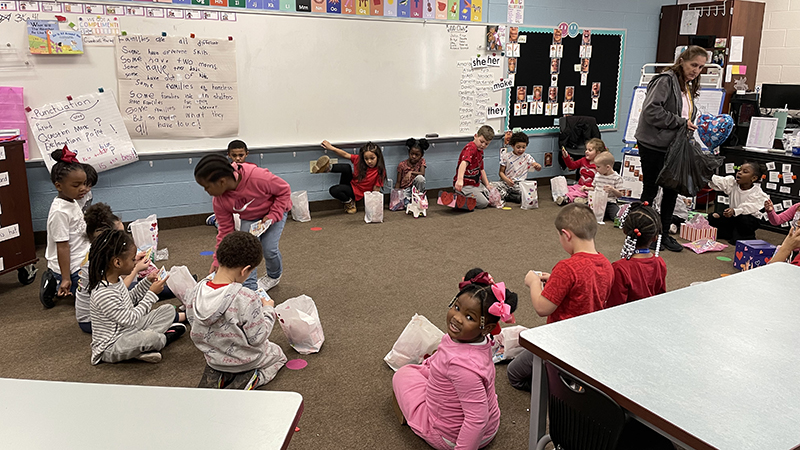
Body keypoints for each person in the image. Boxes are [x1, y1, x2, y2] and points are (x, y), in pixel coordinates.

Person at [392, 268, 517, 450]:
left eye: (469, 317)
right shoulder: (479, 340)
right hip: (489, 425)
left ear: (486, 327)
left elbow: (477, 420)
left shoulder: (462, 369)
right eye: (456, 307)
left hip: (450, 437)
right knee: (428, 367)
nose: (457, 318)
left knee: (402, 375)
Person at [507, 204, 612, 391]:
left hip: (561, 343)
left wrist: (534, 283)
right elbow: (584, 288)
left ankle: (557, 387)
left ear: (566, 234)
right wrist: (554, 281)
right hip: (591, 340)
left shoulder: (566, 268)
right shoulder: (606, 264)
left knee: (513, 373)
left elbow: (542, 308)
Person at [188, 231, 287, 390]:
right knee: (279, 355)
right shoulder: (246, 297)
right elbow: (258, 338)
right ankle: (253, 378)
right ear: (245, 270)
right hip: (246, 360)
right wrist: (268, 310)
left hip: (213, 358)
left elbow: (193, 321)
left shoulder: (195, 290)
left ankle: (219, 375)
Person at [635, 45, 707, 253]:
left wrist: (688, 124)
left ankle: (663, 234)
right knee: (651, 189)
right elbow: (651, 111)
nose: (696, 70)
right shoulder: (666, 80)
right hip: (654, 144)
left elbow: (683, 113)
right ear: (682, 60)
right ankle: (644, 234)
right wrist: (680, 122)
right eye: (693, 65)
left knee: (672, 190)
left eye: (701, 67)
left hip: (675, 145)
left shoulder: (686, 85)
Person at [194, 154, 292, 292]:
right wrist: (217, 260)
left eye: (207, 187)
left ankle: (274, 276)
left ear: (222, 181)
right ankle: (249, 289)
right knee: (245, 251)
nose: (207, 191)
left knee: (269, 249)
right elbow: (225, 231)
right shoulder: (219, 200)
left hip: (275, 212)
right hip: (251, 218)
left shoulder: (257, 177)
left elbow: (284, 190)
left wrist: (273, 215)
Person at [89, 229, 186, 365]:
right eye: (132, 259)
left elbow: (130, 300)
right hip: (111, 346)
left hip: (129, 330)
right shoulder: (103, 293)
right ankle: (162, 339)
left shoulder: (115, 280)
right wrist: (151, 294)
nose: (135, 262)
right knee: (150, 337)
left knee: (168, 310)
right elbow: (130, 319)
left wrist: (147, 282)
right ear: (117, 263)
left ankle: (142, 349)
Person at [40, 147, 90, 309]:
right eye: (76, 185)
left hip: (82, 256)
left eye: (84, 183)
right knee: (95, 300)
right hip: (71, 265)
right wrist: (66, 278)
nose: (83, 188)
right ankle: (54, 282)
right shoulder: (59, 212)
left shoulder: (71, 200)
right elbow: (62, 247)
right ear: (59, 186)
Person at [607, 202, 667, 308]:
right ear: (655, 238)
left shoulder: (620, 268)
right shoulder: (660, 263)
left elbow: (614, 304)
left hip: (627, 319)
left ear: (625, 231)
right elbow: (661, 296)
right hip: (651, 314)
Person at [312, 140, 387, 214]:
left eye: (372, 158)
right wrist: (331, 148)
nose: (369, 161)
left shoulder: (380, 171)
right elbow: (345, 154)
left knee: (334, 190)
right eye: (366, 159)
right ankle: (327, 168)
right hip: (352, 184)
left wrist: (373, 206)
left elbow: (376, 189)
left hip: (358, 193)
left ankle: (350, 203)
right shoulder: (359, 160)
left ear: (378, 157)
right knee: (346, 167)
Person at [708, 162, 768, 244]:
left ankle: (744, 236)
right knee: (713, 217)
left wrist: (734, 211)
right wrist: (707, 175)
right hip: (733, 215)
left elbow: (747, 208)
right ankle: (729, 233)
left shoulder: (757, 193)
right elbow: (720, 181)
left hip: (749, 220)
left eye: (745, 171)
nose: (739, 172)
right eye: (739, 170)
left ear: (753, 178)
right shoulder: (733, 184)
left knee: (742, 219)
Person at [206, 140, 253, 227]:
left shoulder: (253, 170)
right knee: (234, 227)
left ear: (246, 154)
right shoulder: (226, 172)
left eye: (241, 155)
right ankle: (217, 220)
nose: (238, 158)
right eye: (234, 155)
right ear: (229, 155)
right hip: (233, 207)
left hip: (247, 206)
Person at [453, 125, 495, 210]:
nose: (483, 145)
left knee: (491, 197)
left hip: (476, 184)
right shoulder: (470, 148)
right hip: (465, 185)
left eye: (486, 144)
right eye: (481, 141)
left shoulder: (480, 151)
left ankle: (465, 197)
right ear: (475, 136)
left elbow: (481, 169)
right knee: (484, 203)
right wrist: (460, 179)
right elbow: (463, 163)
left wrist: (487, 184)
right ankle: (457, 199)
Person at [491, 132, 541, 203]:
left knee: (529, 193)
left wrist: (537, 166)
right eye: (518, 147)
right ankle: (508, 196)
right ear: (512, 146)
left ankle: (509, 196)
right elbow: (501, 172)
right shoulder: (506, 156)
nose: (521, 150)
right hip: (506, 183)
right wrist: (506, 180)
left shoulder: (527, 157)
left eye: (523, 147)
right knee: (492, 186)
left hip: (519, 184)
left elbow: (535, 165)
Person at [555, 138, 607, 206]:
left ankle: (567, 199)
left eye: (590, 150)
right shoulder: (583, 160)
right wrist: (566, 157)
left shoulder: (599, 166)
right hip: (580, 186)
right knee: (567, 188)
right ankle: (579, 199)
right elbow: (572, 166)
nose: (586, 151)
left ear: (598, 153)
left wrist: (587, 187)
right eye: (586, 149)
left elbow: (599, 182)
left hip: (590, 189)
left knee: (578, 192)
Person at [591, 151, 624, 220]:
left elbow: (620, 194)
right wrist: (586, 188)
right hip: (597, 201)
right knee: (584, 211)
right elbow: (594, 188)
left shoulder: (617, 178)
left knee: (616, 217)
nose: (596, 169)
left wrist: (612, 189)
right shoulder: (597, 175)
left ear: (608, 167)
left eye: (598, 167)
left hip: (609, 202)